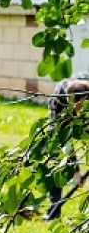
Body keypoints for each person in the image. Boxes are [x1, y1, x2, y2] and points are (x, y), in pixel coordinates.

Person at [44, 74, 89, 220]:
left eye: (80, 107)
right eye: (75, 108)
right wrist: (76, 171)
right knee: (56, 159)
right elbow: (63, 142)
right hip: (61, 118)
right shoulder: (58, 102)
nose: (77, 111)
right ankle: (54, 209)